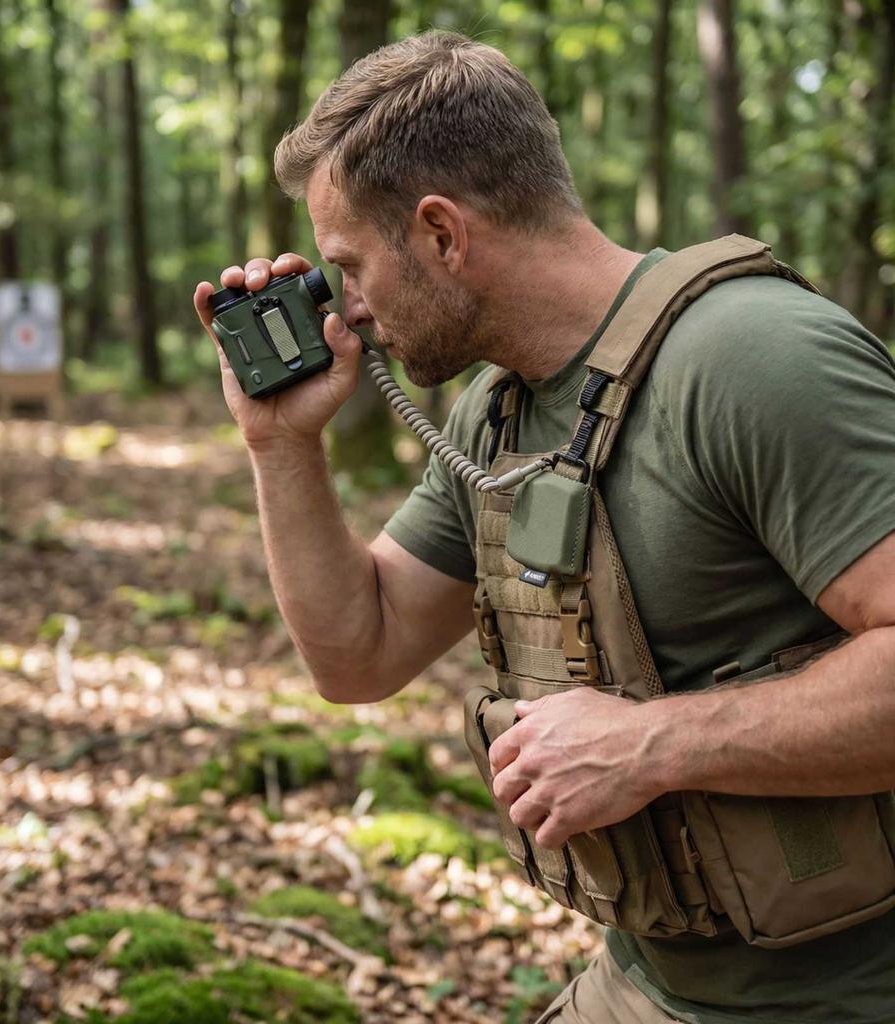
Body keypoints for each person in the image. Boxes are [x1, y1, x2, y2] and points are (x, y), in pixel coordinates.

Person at [193, 31, 895, 1024]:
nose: (344, 307)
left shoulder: (752, 361)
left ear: (441, 233)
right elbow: (358, 653)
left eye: (350, 265)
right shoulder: (499, 414)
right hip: (645, 986)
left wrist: (653, 745)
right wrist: (280, 445)